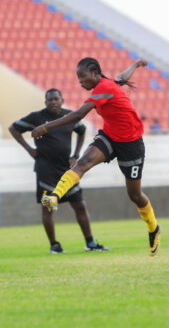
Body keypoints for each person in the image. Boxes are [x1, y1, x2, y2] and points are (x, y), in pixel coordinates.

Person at [31, 58, 162, 256]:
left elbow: (77, 116)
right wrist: (135, 65)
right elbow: (121, 78)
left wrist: (46, 126)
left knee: (134, 195)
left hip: (131, 144)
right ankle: (54, 197)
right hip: (110, 136)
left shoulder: (103, 88)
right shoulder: (107, 84)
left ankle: (153, 228)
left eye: (82, 77)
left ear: (94, 73)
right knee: (83, 163)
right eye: (78, 78)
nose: (80, 82)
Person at [9, 88, 109, 254]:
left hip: (66, 170)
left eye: (56, 99)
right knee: (48, 208)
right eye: (50, 100)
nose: (53, 102)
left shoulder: (69, 116)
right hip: (45, 171)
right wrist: (29, 150)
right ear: (45, 102)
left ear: (62, 100)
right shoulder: (36, 117)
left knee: (80, 205)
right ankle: (54, 245)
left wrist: (76, 155)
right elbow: (14, 129)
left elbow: (82, 131)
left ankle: (90, 242)